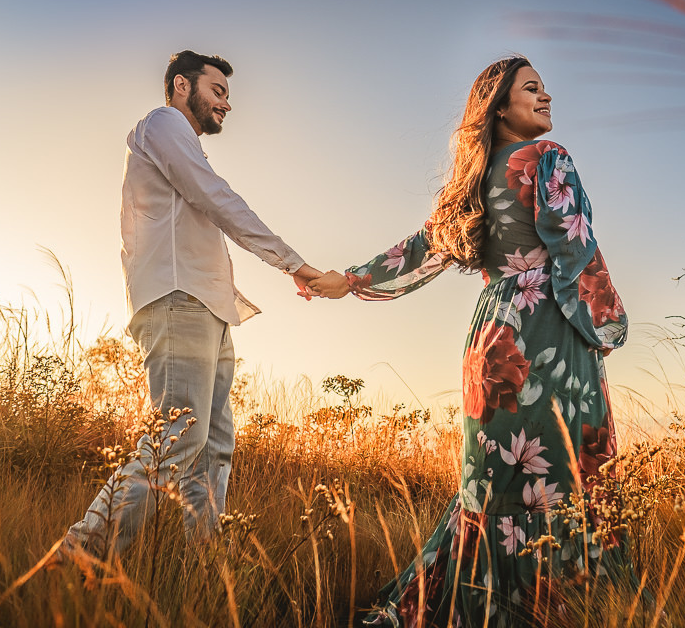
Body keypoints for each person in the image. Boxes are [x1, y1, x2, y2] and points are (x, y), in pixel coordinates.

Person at [310, 56, 639, 627]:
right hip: (545, 338)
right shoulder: (548, 158)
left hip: (491, 345)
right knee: (562, 480)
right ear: (500, 104)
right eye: (531, 89)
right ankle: (557, 610)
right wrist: (606, 325)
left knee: (496, 488)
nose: (546, 96)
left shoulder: (470, 185)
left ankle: (478, 609)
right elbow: (574, 252)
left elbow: (417, 248)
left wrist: (351, 279)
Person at [58, 50, 322, 560]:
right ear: (182, 85)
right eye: (217, 91)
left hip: (209, 310)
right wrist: (293, 263)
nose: (226, 103)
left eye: (227, 95)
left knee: (214, 447)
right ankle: (79, 556)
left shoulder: (184, 144)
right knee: (176, 442)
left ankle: (203, 566)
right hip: (179, 303)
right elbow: (215, 197)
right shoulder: (162, 125)